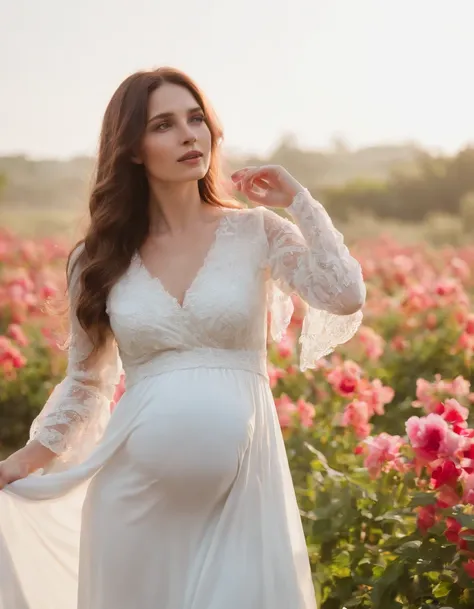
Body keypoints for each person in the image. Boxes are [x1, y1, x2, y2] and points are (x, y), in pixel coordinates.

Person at [0, 67, 365, 609]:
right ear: (131, 149)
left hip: (240, 497)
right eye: (164, 125)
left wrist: (299, 202)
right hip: (130, 509)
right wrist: (21, 462)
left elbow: (343, 294)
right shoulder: (98, 259)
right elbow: (87, 382)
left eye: (196, 119)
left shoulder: (257, 232)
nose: (189, 135)